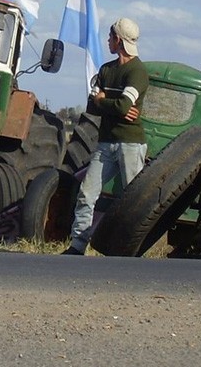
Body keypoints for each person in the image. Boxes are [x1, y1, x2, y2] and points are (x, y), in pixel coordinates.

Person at [62, 18, 149, 255]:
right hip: (106, 143)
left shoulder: (138, 72)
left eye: (110, 37)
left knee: (132, 201)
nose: (108, 41)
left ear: (118, 40)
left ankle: (129, 249)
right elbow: (95, 105)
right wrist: (107, 103)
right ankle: (78, 245)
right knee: (86, 193)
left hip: (131, 145)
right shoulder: (106, 70)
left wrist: (104, 100)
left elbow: (120, 105)